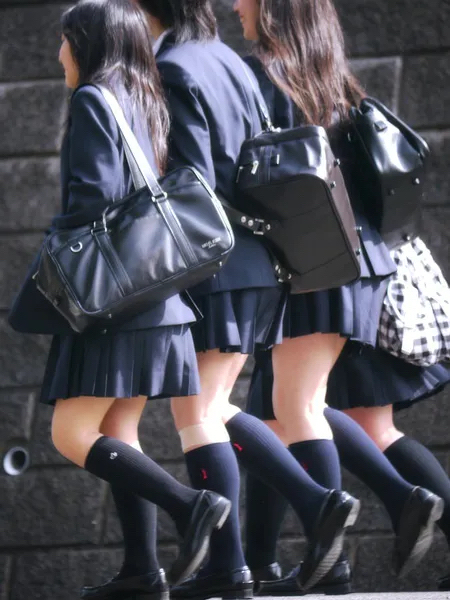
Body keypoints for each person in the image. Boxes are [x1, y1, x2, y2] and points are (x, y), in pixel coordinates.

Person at [133, 0, 361, 596]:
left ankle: (242, 558)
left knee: (199, 413)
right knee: (214, 408)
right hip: (261, 262)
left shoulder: (176, 67)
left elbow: (193, 181)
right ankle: (263, 543)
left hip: (219, 264)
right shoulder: (232, 63)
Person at [8, 1, 232, 598]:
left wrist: (57, 247)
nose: (58, 52)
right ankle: (141, 571)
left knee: (70, 433)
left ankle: (189, 505)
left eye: (65, 39)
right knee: (119, 432)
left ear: (86, 43)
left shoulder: (92, 99)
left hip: (112, 303)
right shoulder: (144, 96)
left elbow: (94, 199)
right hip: (158, 300)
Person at [231, 0, 445, 592]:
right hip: (359, 264)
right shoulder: (334, 79)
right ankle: (276, 562)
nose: (235, 5)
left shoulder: (266, 77)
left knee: (293, 407)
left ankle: (347, 546)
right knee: (288, 414)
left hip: (313, 264)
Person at [246, 348, 447, 594]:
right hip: (345, 328)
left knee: (293, 409)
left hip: (306, 327)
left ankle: (272, 564)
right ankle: (266, 564)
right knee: (293, 414)